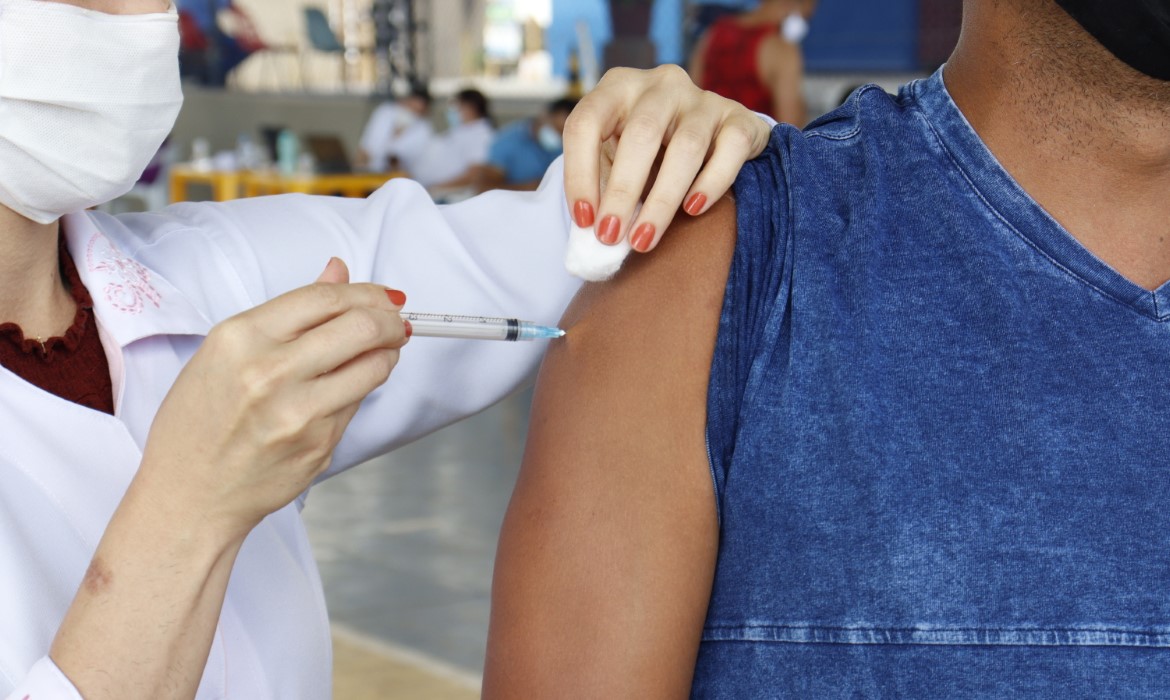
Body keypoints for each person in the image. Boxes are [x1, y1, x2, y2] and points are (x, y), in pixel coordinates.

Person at [0, 1, 775, 697]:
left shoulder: (218, 275)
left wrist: (674, 134)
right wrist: (189, 508)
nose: (145, 18)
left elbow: (566, 241)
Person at [485, 0, 1170, 697]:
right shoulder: (708, 276)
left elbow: (744, 127)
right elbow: (765, 127)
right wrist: (783, 185)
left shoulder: (721, 232)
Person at [690, 0, 816, 125]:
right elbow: (790, 125)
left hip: (707, 137)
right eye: (806, 16)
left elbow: (693, 95)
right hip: (755, 143)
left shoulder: (713, 34)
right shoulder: (782, 50)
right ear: (790, 5)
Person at [476, 98, 578, 193]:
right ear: (544, 115)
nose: (558, 137)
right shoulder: (507, 142)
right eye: (556, 129)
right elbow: (484, 188)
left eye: (563, 134)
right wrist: (531, 189)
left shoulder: (569, 146)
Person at [411, 88, 496, 188]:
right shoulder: (462, 129)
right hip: (425, 188)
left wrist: (437, 189)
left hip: (446, 196)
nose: (453, 110)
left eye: (456, 105)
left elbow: (474, 174)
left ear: (470, 107)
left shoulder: (482, 135)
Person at [355, 82, 434, 173]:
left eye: (416, 111)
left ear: (424, 112)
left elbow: (411, 163)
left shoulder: (425, 130)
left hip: (399, 178)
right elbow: (365, 148)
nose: (410, 112)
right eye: (410, 106)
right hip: (369, 173)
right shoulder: (384, 111)